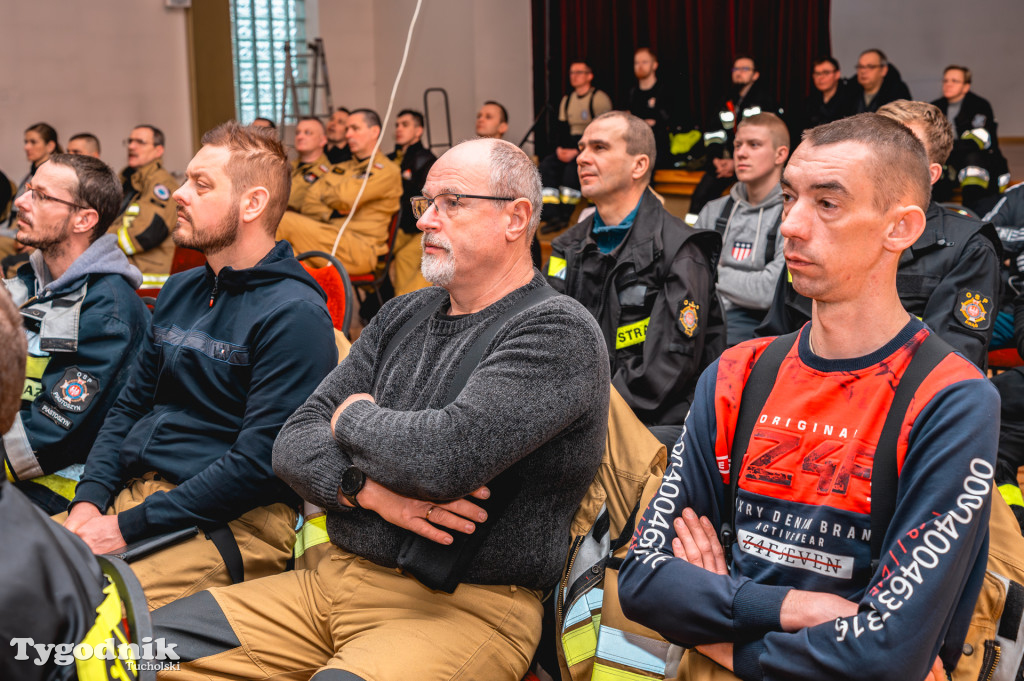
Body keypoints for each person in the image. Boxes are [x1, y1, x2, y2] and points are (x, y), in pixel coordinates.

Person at [150, 137, 610, 681]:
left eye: (451, 203)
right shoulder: (401, 314)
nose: (425, 222)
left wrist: (348, 418)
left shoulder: (558, 330)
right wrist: (361, 488)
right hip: (327, 584)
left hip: (461, 608)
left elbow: (445, 458)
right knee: (127, 653)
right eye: (425, 204)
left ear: (516, 218)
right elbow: (292, 442)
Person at [619, 113, 998, 681]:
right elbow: (644, 582)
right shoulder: (737, 372)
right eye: (791, 196)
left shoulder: (952, 399)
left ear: (900, 228)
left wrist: (718, 626)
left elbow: (887, 657)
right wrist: (796, 608)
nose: (791, 225)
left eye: (827, 203)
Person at [60, 121, 338, 609]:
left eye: (201, 184)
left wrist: (122, 528)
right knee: (20, 584)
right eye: (185, 180)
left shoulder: (294, 313)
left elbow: (258, 465)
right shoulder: (182, 289)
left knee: (83, 617)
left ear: (251, 204)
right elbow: (126, 410)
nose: (181, 195)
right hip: (142, 498)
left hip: (231, 522)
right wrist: (88, 502)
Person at [758, 100, 1002, 370]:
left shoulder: (968, 246)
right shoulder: (818, 234)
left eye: (904, 146)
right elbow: (775, 333)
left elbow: (949, 364)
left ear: (930, 174)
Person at [547, 111, 723, 439]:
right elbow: (547, 341)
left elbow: (665, 372)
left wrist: (579, 415)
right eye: (582, 147)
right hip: (573, 415)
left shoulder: (681, 251)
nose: (582, 158)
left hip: (648, 424)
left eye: (599, 148)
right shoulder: (566, 247)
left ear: (638, 166)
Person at [2, 154, 149, 515]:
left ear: (84, 219)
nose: (21, 201)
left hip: (59, 488)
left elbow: (50, 436)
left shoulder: (107, 311)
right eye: (27, 190)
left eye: (40, 195)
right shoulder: (28, 283)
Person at [694, 112, 789, 346]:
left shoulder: (792, 215)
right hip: (705, 319)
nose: (741, 153)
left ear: (781, 154)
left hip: (757, 333)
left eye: (754, 145)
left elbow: (769, 291)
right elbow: (690, 275)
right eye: (738, 145)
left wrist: (713, 271)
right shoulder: (712, 211)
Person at [277, 109, 402, 276]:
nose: (348, 135)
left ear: (374, 132)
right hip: (329, 235)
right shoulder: (340, 168)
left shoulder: (387, 171)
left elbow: (346, 198)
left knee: (284, 221)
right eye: (347, 129)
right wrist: (333, 213)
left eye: (355, 129)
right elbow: (309, 201)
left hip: (359, 248)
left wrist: (331, 196)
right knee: (288, 254)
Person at [688, 56, 782, 222]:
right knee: (700, 197)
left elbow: (764, 139)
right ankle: (693, 240)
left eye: (745, 69)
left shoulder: (764, 101)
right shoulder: (726, 100)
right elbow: (713, 133)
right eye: (736, 69)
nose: (739, 73)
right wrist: (717, 159)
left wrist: (735, 161)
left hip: (752, 164)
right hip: (723, 163)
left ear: (755, 75)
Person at [539, 59, 613, 232]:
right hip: (571, 143)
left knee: (573, 170)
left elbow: (605, 130)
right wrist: (560, 149)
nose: (574, 76)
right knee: (546, 166)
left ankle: (565, 215)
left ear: (590, 76)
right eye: (572, 72)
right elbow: (562, 129)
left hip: (591, 145)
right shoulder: (567, 99)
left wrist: (578, 151)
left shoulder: (598, 98)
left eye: (579, 72)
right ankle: (552, 215)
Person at [108, 124, 179, 290]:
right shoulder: (129, 182)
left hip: (146, 284)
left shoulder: (162, 185)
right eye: (130, 141)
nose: (132, 146)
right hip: (127, 274)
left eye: (140, 142)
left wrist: (99, 244)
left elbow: (147, 233)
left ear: (158, 150)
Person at [931, 65, 1010, 211]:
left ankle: (972, 213)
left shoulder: (979, 106)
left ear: (966, 87)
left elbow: (978, 141)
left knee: (973, 159)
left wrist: (942, 146)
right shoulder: (934, 107)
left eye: (954, 81)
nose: (948, 84)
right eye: (946, 80)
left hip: (976, 161)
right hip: (947, 161)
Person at [388, 109, 436, 295]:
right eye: (397, 125)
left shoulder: (426, 160)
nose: (399, 129)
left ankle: (401, 310)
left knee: (404, 258)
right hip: (394, 225)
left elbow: (427, 201)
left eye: (405, 125)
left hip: (416, 227)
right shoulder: (391, 159)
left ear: (419, 131)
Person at [2, 124, 62, 264]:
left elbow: (52, 214)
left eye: (33, 142)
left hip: (29, 235)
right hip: (14, 229)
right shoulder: (31, 173)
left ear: (50, 146)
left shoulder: (54, 175)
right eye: (26, 142)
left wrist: (33, 238)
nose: (26, 147)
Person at [628, 47, 675, 169]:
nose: (640, 66)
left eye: (644, 62)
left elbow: (669, 119)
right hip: (635, 143)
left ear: (654, 65)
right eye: (636, 63)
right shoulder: (632, 92)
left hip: (658, 146)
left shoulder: (664, 90)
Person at [798, 57, 855, 135]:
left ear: (837, 74)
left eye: (826, 72)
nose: (821, 77)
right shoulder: (810, 101)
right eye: (817, 73)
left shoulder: (850, 99)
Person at [288, 116, 331, 212]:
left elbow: (292, 199)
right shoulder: (285, 165)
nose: (300, 137)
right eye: (297, 133)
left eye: (308, 133)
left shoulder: (327, 172)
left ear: (323, 140)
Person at [851, 48, 911, 114]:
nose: (863, 71)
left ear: (883, 70)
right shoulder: (849, 92)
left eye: (870, 66)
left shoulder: (898, 93)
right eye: (860, 66)